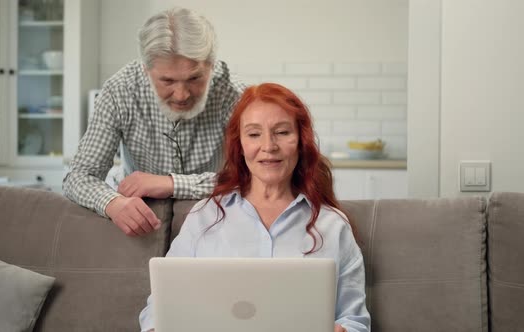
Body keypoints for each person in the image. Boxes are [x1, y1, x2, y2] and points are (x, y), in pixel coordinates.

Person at [138, 83, 370, 332]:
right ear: (240, 145)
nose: (268, 146)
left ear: (301, 142)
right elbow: (159, 305)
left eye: (282, 132)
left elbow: (354, 320)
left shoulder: (333, 226)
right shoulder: (205, 216)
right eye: (254, 134)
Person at [63, 8, 245, 236]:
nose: (181, 95)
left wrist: (171, 184)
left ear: (211, 65)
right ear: (145, 69)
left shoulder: (234, 94)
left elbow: (254, 176)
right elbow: (79, 176)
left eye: (195, 78)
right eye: (167, 80)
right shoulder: (119, 91)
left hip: (213, 216)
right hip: (140, 215)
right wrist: (113, 203)